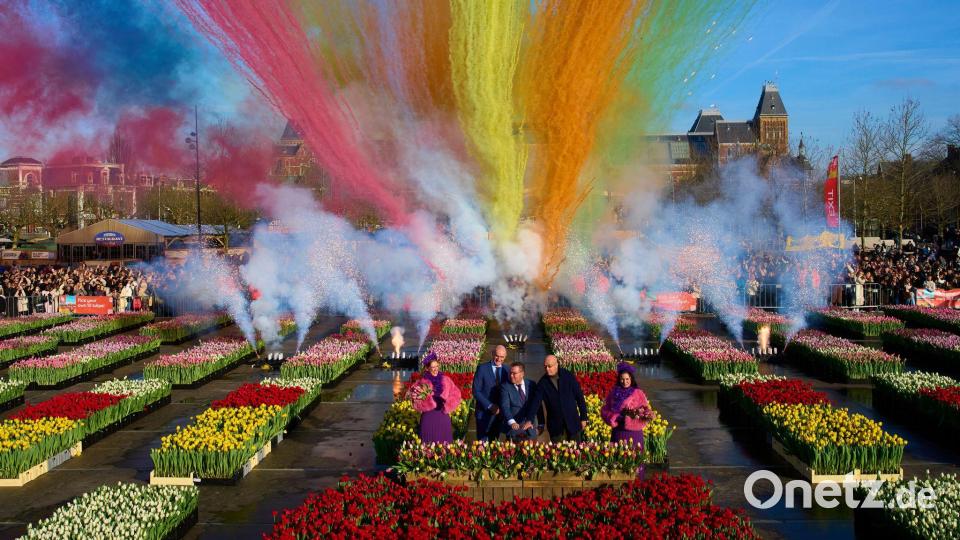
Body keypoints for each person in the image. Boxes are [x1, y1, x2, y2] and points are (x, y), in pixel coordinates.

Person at [527, 355, 588, 442]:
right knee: (557, 450)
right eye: (545, 367)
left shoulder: (567, 376)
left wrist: (583, 417)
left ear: (556, 364)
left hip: (572, 422)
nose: (547, 369)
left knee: (576, 448)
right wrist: (530, 419)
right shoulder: (542, 383)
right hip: (555, 426)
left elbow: (579, 397)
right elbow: (536, 403)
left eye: (549, 366)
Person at [409, 353, 462, 444]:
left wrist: (448, 404)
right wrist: (429, 402)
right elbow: (415, 402)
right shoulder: (422, 383)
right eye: (433, 367)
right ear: (427, 368)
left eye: (437, 366)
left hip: (443, 416)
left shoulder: (446, 380)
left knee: (445, 446)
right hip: (429, 418)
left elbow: (456, 394)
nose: (435, 369)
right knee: (427, 446)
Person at [600, 363, 652, 447]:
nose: (625, 382)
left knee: (635, 452)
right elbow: (605, 410)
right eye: (622, 379)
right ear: (619, 379)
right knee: (619, 453)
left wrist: (642, 415)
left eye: (627, 379)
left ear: (631, 378)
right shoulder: (613, 393)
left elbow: (646, 410)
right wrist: (614, 417)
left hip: (634, 432)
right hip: (618, 431)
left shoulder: (638, 393)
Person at [472, 345, 507, 441]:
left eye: (502, 357)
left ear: (505, 357)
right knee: (482, 443)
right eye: (497, 356)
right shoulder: (482, 368)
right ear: (492, 354)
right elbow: (476, 391)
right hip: (483, 413)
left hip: (499, 415)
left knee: (495, 443)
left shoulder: (507, 370)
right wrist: (490, 406)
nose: (499, 359)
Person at [499, 361, 539, 442]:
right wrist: (512, 422)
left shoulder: (531, 384)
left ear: (522, 374)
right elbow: (505, 406)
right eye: (510, 373)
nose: (511, 375)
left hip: (530, 429)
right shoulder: (505, 387)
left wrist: (541, 424)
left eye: (514, 373)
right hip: (514, 430)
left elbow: (538, 404)